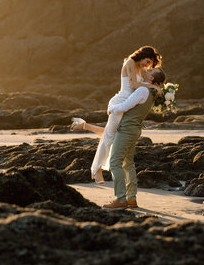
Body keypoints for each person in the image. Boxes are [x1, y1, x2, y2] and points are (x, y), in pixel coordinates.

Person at [70, 46, 162, 184]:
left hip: (128, 105)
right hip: (120, 102)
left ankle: (84, 125)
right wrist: (154, 87)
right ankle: (96, 170)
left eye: (149, 64)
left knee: (112, 135)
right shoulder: (130, 62)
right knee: (109, 137)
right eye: (147, 61)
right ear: (143, 55)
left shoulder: (139, 68)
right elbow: (136, 85)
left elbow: (141, 86)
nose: (147, 65)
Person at [103, 66, 166, 209]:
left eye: (151, 71)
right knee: (128, 163)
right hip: (134, 129)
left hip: (127, 129)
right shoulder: (151, 91)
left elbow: (125, 106)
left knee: (114, 162)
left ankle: (120, 199)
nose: (147, 70)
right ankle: (131, 198)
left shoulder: (143, 90)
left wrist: (111, 109)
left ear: (151, 78)